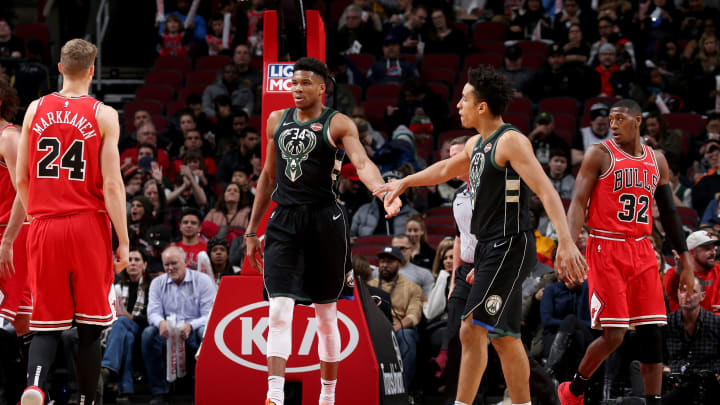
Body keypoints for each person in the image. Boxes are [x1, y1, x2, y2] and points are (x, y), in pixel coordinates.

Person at [374, 65, 587, 405]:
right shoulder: (475, 144)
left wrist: (564, 241)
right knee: (505, 338)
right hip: (490, 249)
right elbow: (444, 169)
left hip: (510, 245)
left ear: (482, 106)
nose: (459, 104)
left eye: (464, 99)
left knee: (470, 328)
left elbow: (546, 192)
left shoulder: (511, 141)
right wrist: (404, 181)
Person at [244, 57, 400, 405]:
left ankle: (327, 398)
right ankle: (274, 396)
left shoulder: (338, 123)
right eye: (293, 83)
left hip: (324, 222)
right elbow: (268, 177)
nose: (296, 89)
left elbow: (361, 163)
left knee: (326, 317)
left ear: (321, 88)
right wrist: (251, 230)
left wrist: (381, 189)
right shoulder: (276, 120)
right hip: (283, 221)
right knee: (278, 310)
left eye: (304, 84)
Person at [15, 39, 130, 405]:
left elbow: (21, 178)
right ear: (92, 70)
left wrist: (35, 214)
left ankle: (34, 386)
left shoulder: (35, 108)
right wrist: (123, 241)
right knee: (91, 327)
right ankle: (88, 401)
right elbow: (112, 184)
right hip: (88, 226)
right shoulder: (104, 114)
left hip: (44, 225)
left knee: (45, 323)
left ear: (60, 67)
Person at [560, 99, 696, 405]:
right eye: (611, 120)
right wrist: (568, 244)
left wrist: (685, 262)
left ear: (638, 121)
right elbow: (579, 202)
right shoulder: (600, 154)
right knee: (615, 335)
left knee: (652, 333)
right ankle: (573, 391)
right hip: (605, 246)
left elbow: (670, 214)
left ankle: (653, 401)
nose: (614, 125)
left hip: (642, 249)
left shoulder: (656, 159)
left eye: (620, 119)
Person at [142, 246, 215, 405]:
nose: (170, 268)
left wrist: (190, 325)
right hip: (168, 331)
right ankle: (159, 392)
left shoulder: (203, 281)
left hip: (193, 329)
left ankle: (202, 391)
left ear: (185, 262)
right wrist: (160, 323)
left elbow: (209, 315)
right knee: (148, 334)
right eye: (166, 264)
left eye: (174, 263)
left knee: (205, 333)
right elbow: (152, 312)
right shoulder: (157, 283)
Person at [0, 78, 31, 405]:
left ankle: (32, 393)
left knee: (17, 322)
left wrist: (7, 241)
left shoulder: (11, 136)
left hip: (12, 233)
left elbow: (25, 192)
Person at [367, 246, 423, 390]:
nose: (384, 265)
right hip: (373, 330)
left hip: (398, 330)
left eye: (390, 261)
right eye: (382, 261)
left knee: (407, 335)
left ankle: (406, 391)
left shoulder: (413, 288)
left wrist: (392, 330)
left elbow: (413, 315)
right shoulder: (368, 287)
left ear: (400, 264)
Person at [100, 249, 150, 404]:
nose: (133, 263)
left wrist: (130, 317)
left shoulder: (151, 286)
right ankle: (125, 390)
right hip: (121, 331)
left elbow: (151, 316)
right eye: (130, 260)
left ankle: (107, 368)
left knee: (122, 322)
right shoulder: (117, 285)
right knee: (126, 336)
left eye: (137, 259)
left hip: (143, 329)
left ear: (145, 264)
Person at [663, 276, 720, 404]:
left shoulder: (716, 323)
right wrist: (664, 368)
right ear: (677, 293)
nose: (686, 295)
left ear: (703, 296)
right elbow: (658, 356)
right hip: (673, 382)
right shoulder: (666, 324)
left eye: (693, 292)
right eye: (682, 290)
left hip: (706, 386)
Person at [663, 231, 720, 313]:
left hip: (714, 323)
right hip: (682, 323)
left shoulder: (718, 271)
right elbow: (670, 292)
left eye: (714, 249)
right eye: (708, 249)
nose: (713, 253)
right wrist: (678, 271)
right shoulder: (674, 273)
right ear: (692, 252)